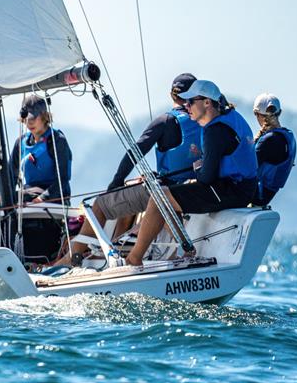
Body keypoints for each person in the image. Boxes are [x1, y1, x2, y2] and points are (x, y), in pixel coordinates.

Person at [50, 73, 203, 266]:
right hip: (193, 189)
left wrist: (115, 183)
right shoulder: (205, 119)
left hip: (165, 192)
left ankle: (72, 258)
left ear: (172, 96)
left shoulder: (166, 121)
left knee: (100, 204)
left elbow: (135, 153)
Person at [126, 80, 258, 266]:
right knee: (169, 193)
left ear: (207, 102)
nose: (186, 107)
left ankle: (134, 259)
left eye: (190, 102)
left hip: (231, 191)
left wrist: (198, 169)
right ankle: (187, 249)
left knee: (160, 197)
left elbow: (206, 178)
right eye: (185, 102)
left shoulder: (215, 131)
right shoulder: (231, 116)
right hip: (241, 188)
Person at [0, 95, 72, 207]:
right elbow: (11, 177)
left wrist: (43, 198)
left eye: (33, 118)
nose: (29, 122)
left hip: (55, 201)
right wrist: (4, 197)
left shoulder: (56, 140)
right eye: (26, 119)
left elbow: (63, 179)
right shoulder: (21, 142)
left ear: (44, 117)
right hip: (29, 196)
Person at [250, 93, 296, 206]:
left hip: (256, 195)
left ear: (257, 114)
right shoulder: (288, 137)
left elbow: (247, 167)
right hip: (266, 197)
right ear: (279, 113)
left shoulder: (268, 140)